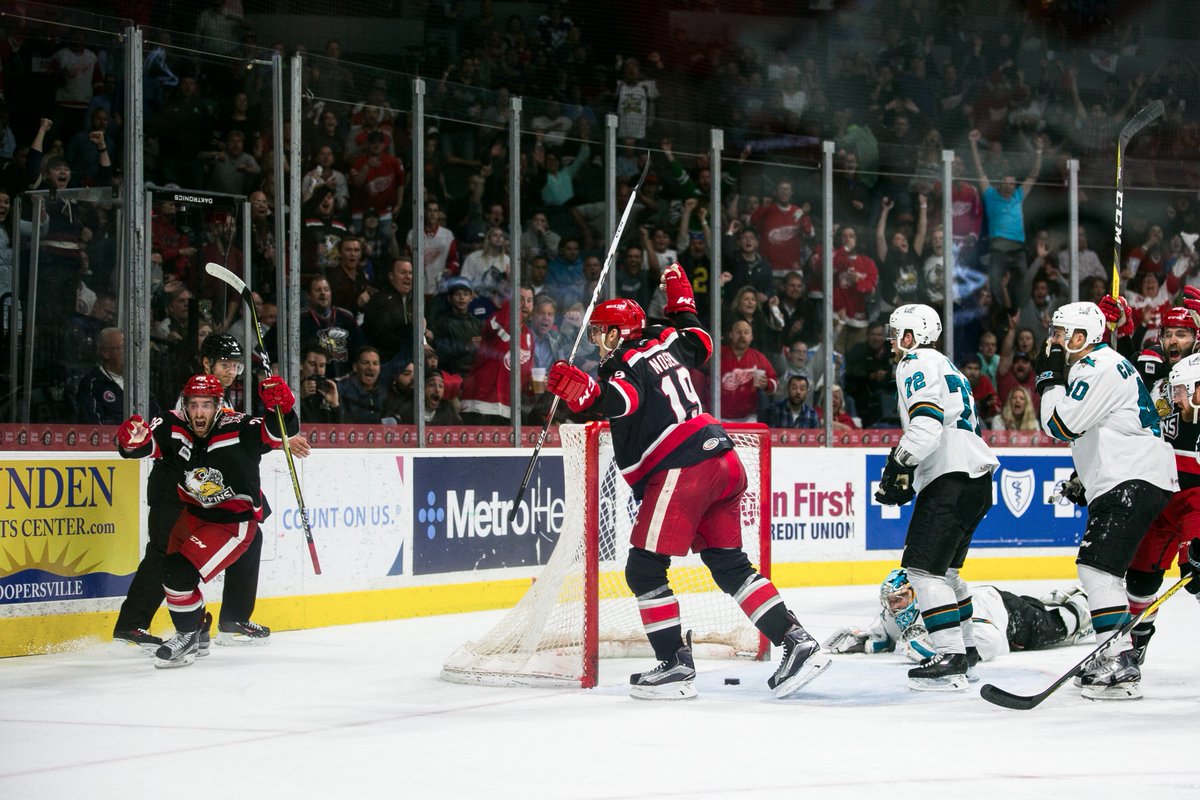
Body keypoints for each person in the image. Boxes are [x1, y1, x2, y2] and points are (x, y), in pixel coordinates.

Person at [545, 265, 829, 700]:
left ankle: (675, 664)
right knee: (729, 564)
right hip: (722, 456)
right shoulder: (664, 339)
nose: (599, 341)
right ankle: (797, 642)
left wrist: (585, 394)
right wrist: (682, 302)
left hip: (683, 467)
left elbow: (621, 400)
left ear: (620, 333)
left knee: (643, 569)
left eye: (603, 332)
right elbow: (700, 344)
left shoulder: (624, 362)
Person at [1035, 301, 1176, 700]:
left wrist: (1048, 380)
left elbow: (1060, 425)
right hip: (1134, 475)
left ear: (1081, 338)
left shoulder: (1095, 367)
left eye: (1060, 333)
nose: (1054, 341)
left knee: (1097, 569)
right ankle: (1116, 655)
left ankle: (1117, 659)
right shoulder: (1102, 365)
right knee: (1104, 571)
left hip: (1131, 477)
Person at [115, 373, 298, 667]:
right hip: (191, 515)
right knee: (170, 574)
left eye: (206, 405)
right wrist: (128, 443)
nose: (199, 412)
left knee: (178, 575)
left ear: (219, 406)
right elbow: (142, 447)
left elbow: (278, 433)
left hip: (231, 522)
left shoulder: (240, 427)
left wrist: (284, 411)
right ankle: (198, 629)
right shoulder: (173, 425)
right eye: (193, 405)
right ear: (185, 405)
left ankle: (186, 637)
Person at [875, 303, 999, 691]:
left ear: (911, 336)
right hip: (975, 479)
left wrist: (899, 463)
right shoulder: (948, 366)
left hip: (951, 477)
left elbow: (926, 425)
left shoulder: (915, 362)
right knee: (946, 574)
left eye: (897, 333)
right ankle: (967, 649)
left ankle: (950, 657)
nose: (894, 342)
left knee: (922, 573)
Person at [824, 569, 1093, 662]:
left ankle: (1086, 600)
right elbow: (889, 635)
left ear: (917, 594)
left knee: (1058, 626)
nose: (896, 607)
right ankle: (1055, 597)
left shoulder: (939, 606)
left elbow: (992, 642)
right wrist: (866, 642)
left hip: (1010, 618)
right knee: (1039, 608)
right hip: (992, 601)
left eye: (901, 598)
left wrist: (936, 650)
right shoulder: (895, 615)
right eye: (891, 601)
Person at [719, 319, 776, 423]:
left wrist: (767, 384)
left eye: (746, 332)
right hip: (719, 416)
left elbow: (774, 381)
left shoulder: (758, 358)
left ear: (751, 337)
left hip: (749, 418)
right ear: (731, 334)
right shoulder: (718, 354)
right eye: (738, 332)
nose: (742, 336)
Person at [75, 327, 125, 425]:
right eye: (122, 348)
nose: (129, 354)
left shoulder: (137, 383)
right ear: (105, 352)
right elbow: (94, 425)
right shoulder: (91, 385)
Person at [298, 343, 343, 423]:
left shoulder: (328, 390)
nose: (318, 370)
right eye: (312, 364)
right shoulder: (291, 387)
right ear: (301, 365)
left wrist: (334, 405)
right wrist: (300, 396)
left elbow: (340, 431)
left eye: (322, 366)